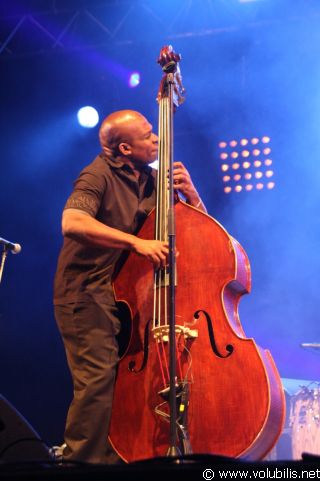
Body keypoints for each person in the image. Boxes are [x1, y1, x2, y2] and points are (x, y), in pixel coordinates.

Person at [53, 109, 206, 464]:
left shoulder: (154, 180)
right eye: (149, 135)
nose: (157, 139)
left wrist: (192, 195)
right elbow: (72, 221)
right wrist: (136, 243)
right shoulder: (97, 175)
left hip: (128, 299)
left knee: (125, 383)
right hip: (85, 293)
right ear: (124, 148)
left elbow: (204, 235)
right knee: (96, 383)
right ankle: (79, 465)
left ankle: (119, 459)